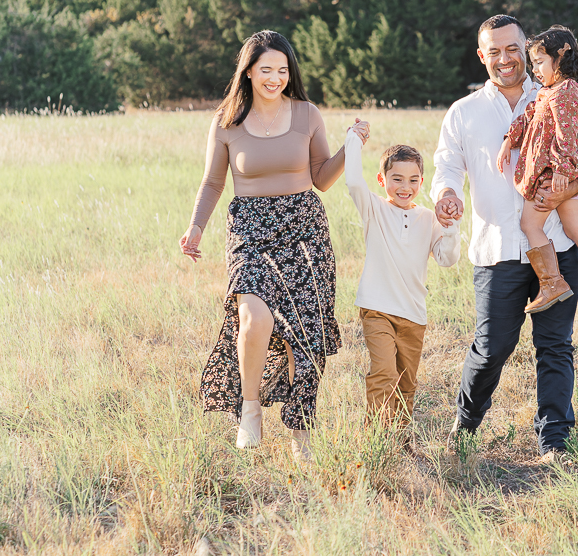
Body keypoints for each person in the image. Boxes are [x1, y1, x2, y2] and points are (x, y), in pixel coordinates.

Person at [431, 14, 578, 461]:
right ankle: (465, 424)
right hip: (496, 249)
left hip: (557, 245)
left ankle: (555, 441)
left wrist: (564, 192)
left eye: (513, 48)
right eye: (494, 51)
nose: (505, 59)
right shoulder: (464, 112)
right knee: (492, 346)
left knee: (555, 346)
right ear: (481, 56)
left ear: (526, 49)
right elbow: (446, 166)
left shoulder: (558, 94)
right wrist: (448, 192)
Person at [179, 30, 363, 460]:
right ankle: (249, 409)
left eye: (283, 70)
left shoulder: (306, 114)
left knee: (305, 334)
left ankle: (301, 436)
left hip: (304, 226)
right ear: (248, 71)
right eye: (266, 70)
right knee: (254, 317)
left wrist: (350, 145)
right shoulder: (227, 121)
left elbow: (322, 177)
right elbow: (212, 182)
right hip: (250, 228)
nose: (275, 78)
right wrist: (195, 228)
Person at [497, 25, 578, 317]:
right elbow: (528, 117)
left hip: (551, 174)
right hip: (561, 173)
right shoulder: (549, 92)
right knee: (575, 228)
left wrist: (562, 171)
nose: (535, 70)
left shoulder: (566, 91)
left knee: (530, 225)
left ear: (561, 56)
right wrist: (509, 139)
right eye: (533, 64)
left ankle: (552, 283)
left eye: (540, 62)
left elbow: (567, 135)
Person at [343, 129, 461, 433]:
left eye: (412, 180)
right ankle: (377, 439)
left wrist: (450, 226)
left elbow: (447, 259)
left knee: (406, 384)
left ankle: (401, 439)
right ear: (382, 181)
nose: (405, 187)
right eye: (396, 179)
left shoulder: (428, 218)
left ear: (422, 182)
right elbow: (354, 181)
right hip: (377, 308)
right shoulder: (374, 209)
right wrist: (354, 140)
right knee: (383, 374)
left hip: (413, 315)